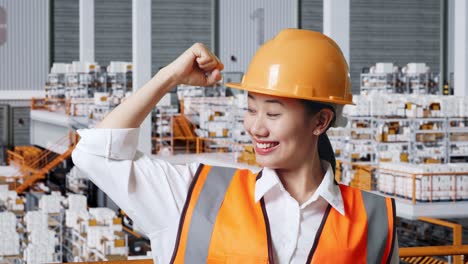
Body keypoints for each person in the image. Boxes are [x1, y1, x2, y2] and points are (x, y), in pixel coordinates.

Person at [72, 29, 399, 263]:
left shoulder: (375, 220)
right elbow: (95, 153)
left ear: (320, 122)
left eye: (273, 113)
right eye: (251, 108)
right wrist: (168, 77)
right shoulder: (193, 194)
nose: (256, 127)